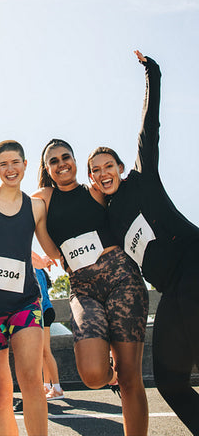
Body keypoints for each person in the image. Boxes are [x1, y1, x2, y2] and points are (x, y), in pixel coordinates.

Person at [87, 50, 199, 435]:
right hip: (171, 288)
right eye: (96, 170)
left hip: (194, 261)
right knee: (168, 379)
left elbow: (149, 126)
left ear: (121, 167)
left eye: (108, 165)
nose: (104, 173)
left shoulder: (143, 177)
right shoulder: (108, 220)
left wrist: (152, 72)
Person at [34, 137, 149, 436]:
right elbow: (14, 205)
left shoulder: (95, 191)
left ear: (75, 161)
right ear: (47, 168)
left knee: (131, 377)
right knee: (94, 375)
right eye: (54, 161)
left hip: (120, 276)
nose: (61, 164)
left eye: (66, 157)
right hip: (83, 287)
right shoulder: (43, 198)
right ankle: (112, 372)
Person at [0, 140, 60, 436]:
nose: (10, 169)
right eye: (3, 164)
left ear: (26, 164)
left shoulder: (36, 207)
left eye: (15, 162)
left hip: (25, 305)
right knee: (2, 395)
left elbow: (51, 249)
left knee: (31, 381)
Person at [32, 255, 64, 401]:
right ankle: (47, 385)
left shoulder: (35, 268)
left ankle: (57, 388)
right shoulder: (40, 270)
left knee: (45, 351)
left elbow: (39, 295)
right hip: (46, 310)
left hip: (43, 310)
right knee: (43, 352)